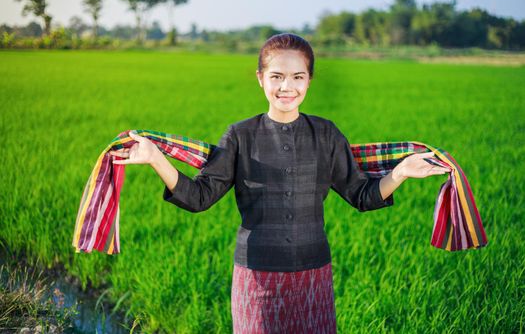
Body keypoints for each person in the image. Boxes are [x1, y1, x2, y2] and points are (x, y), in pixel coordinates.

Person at [109, 33, 451, 333]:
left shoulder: (327, 134)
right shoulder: (240, 135)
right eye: (277, 76)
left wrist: (402, 171)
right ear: (260, 79)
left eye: (297, 77)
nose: (287, 87)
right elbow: (199, 196)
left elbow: (361, 194)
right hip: (257, 274)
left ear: (309, 80)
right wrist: (156, 158)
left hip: (313, 275)